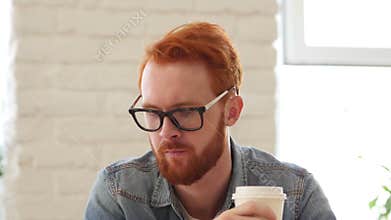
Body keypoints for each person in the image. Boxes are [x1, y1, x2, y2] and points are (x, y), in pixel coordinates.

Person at [84, 22, 335, 220]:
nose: (166, 132)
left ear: (232, 111)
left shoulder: (296, 193)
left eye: (184, 112)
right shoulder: (120, 192)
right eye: (153, 112)